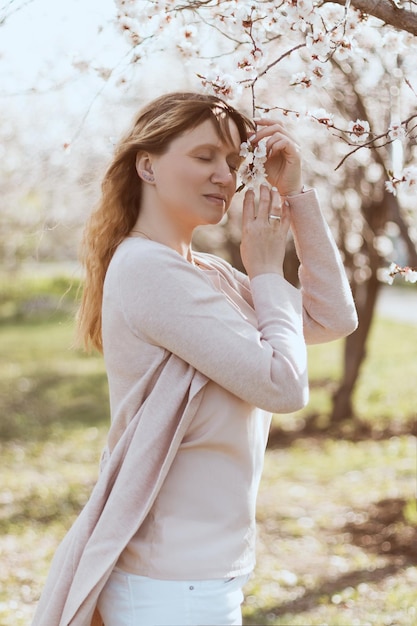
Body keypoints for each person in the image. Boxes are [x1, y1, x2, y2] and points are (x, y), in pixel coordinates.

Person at [32, 91, 358, 626]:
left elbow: (332, 318)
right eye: (204, 156)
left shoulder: (203, 272)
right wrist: (267, 272)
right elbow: (284, 386)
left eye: (232, 162)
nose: (225, 177)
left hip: (201, 575)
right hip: (169, 583)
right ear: (147, 165)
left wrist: (295, 194)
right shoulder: (147, 270)